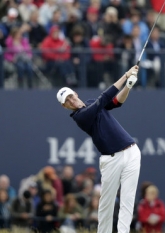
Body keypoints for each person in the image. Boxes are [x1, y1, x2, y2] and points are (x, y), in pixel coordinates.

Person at [56, 64, 141, 233]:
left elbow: (116, 102)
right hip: (111, 159)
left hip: (132, 152)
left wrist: (128, 87)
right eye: (68, 101)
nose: (72, 100)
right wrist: (125, 76)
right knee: (106, 204)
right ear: (65, 107)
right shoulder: (80, 117)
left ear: (75, 94)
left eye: (71, 96)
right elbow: (104, 98)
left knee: (127, 200)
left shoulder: (89, 103)